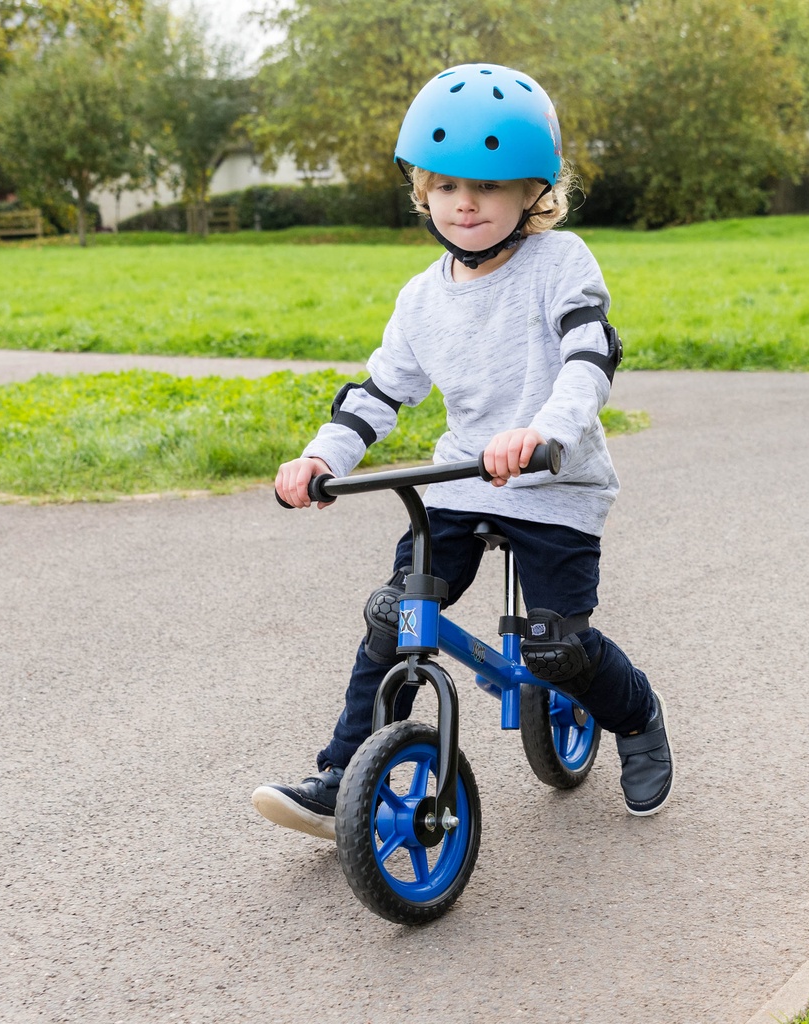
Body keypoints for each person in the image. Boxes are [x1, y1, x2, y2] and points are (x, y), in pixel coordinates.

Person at [253, 62, 674, 840]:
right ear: (423, 194)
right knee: (394, 616)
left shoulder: (562, 263)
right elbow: (377, 395)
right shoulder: (421, 298)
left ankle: (638, 714)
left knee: (554, 649)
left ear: (532, 195)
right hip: (460, 480)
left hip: (554, 482)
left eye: (489, 186)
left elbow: (589, 357)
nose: (466, 203)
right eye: (447, 186)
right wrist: (321, 460)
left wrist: (543, 431)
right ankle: (342, 775)